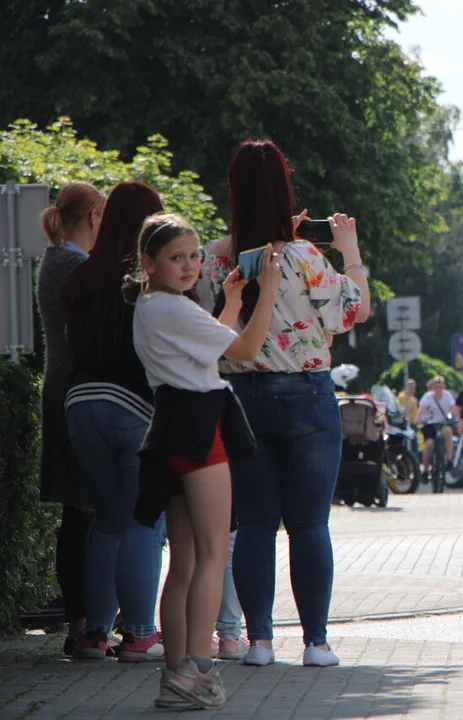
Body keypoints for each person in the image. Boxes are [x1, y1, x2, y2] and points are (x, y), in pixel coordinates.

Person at [204, 140, 369, 669]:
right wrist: (349, 247)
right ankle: (316, 644)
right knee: (309, 524)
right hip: (306, 393)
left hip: (242, 397)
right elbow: (353, 312)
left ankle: (258, 642)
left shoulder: (214, 257)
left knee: (255, 522)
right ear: (284, 191)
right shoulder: (303, 255)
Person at [131, 213, 280, 709]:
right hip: (200, 429)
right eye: (177, 258)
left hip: (172, 426)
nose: (190, 266)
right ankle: (198, 669)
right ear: (148, 262)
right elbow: (246, 349)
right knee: (215, 553)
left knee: (185, 563)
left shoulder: (154, 305)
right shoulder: (171, 307)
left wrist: (233, 301)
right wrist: (271, 291)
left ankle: (177, 675)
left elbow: (208, 353)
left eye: (195, 256)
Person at [63, 183, 164, 662]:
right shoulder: (144, 279)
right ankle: (141, 632)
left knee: (105, 523)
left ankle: (95, 632)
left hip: (80, 404)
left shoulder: (80, 277)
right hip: (135, 409)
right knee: (142, 522)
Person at [36, 181, 105, 656]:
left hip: (61, 383)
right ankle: (84, 624)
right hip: (75, 387)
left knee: (77, 514)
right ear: (95, 216)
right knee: (84, 513)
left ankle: (81, 621)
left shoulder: (56, 258)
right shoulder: (73, 263)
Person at [417, 376, 456, 481]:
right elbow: (421, 410)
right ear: (432, 387)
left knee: (448, 431)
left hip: (443, 422)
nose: (438, 389)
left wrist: (455, 418)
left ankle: (449, 459)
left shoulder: (448, 396)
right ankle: (425, 469)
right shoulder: (427, 397)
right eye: (436, 387)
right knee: (429, 443)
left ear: (444, 387)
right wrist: (418, 419)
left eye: (440, 387)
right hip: (430, 424)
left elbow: (453, 409)